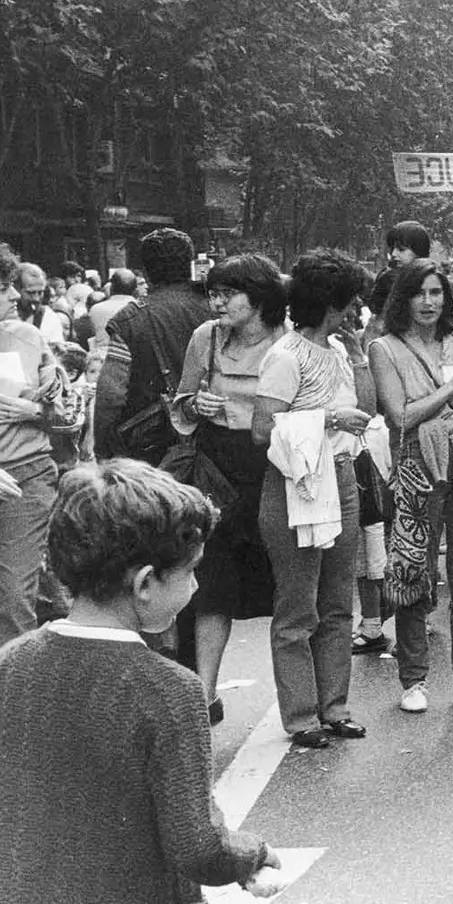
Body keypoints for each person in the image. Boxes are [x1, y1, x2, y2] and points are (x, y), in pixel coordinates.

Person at [0, 459, 282, 904]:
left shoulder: (11, 663)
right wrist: (248, 854)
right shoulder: (171, 691)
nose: (196, 588)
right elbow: (196, 846)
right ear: (146, 583)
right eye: (191, 572)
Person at [253, 249, 374, 748]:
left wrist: (362, 356)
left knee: (337, 601)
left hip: (342, 478)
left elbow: (364, 409)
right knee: (298, 606)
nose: (355, 311)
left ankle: (335, 706)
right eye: (349, 302)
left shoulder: (342, 351)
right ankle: (301, 714)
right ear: (331, 303)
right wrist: (328, 420)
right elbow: (263, 429)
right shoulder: (285, 355)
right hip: (296, 487)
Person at [369, 259, 453, 714]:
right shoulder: (384, 348)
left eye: (437, 293)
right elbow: (399, 416)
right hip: (416, 465)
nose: (429, 302)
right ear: (402, 298)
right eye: (419, 293)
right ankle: (414, 680)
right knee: (414, 574)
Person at [0, 244, 79, 689]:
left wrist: (39, 411)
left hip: (29, 476)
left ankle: (19, 696)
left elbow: (65, 409)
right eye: (2, 287)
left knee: (14, 597)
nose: (14, 295)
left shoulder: (28, 336)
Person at [170, 253, 287, 724]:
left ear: (258, 297)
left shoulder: (290, 340)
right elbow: (179, 406)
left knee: (284, 587)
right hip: (215, 471)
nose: (216, 302)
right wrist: (195, 404)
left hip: (274, 467)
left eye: (226, 294)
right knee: (212, 586)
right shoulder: (206, 337)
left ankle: (301, 701)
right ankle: (204, 694)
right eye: (213, 293)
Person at [95, 228, 210, 467]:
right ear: (189, 264)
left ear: (145, 272)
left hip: (153, 449)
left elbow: (111, 396)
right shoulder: (218, 306)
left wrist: (103, 448)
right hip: (212, 439)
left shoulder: (130, 320)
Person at [15, 261, 68, 348]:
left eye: (40, 292)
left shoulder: (49, 317)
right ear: (16, 290)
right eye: (30, 293)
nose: (36, 298)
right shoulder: (3, 314)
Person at [86, 268, 139, 347]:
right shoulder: (141, 308)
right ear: (136, 290)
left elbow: (92, 334)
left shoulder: (95, 309)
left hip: (102, 355)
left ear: (111, 287)